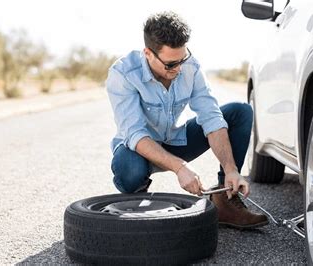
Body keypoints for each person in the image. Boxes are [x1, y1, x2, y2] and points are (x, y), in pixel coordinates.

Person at [106, 11, 268, 229]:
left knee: (240, 111)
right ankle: (137, 200)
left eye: (182, 59)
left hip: (175, 140)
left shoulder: (190, 67)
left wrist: (231, 169)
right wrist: (180, 168)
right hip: (138, 151)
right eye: (171, 64)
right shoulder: (123, 73)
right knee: (130, 170)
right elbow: (135, 135)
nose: (179, 68)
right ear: (148, 53)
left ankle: (225, 201)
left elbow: (211, 117)